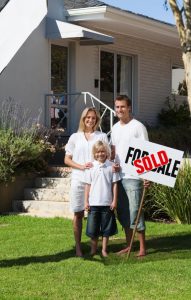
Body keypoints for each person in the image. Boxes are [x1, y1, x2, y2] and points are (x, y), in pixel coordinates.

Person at [64, 107, 108, 257]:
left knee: (97, 213)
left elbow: (107, 156)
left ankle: (97, 248)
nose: (90, 120)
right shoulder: (75, 137)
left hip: (97, 182)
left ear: (97, 120)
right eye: (88, 117)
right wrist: (81, 166)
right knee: (78, 214)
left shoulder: (102, 136)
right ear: (83, 119)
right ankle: (78, 247)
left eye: (93, 118)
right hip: (78, 180)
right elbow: (67, 159)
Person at [111, 95, 149, 257]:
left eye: (122, 107)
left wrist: (147, 176)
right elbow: (114, 151)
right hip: (118, 176)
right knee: (123, 211)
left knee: (135, 211)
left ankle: (142, 247)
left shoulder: (138, 127)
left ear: (129, 108)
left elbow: (147, 152)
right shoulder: (114, 128)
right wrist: (112, 163)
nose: (120, 110)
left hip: (134, 176)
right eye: (117, 107)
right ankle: (128, 245)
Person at [84, 141, 120, 257]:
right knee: (93, 229)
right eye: (98, 152)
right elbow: (88, 185)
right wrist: (86, 201)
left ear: (107, 152)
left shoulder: (111, 166)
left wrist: (114, 201)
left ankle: (104, 250)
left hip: (107, 203)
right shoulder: (91, 167)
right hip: (93, 203)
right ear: (95, 153)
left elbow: (115, 184)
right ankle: (93, 250)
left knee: (106, 229)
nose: (101, 154)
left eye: (103, 151)